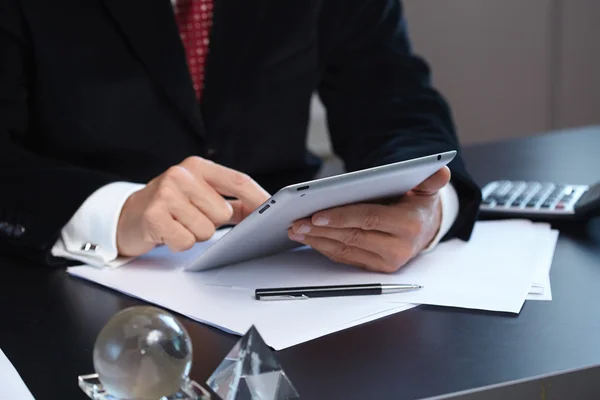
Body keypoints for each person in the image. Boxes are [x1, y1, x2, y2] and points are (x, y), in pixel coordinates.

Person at [0, 0, 481, 271]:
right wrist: (116, 211)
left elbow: (392, 96)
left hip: (290, 264)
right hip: (64, 278)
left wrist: (428, 209)